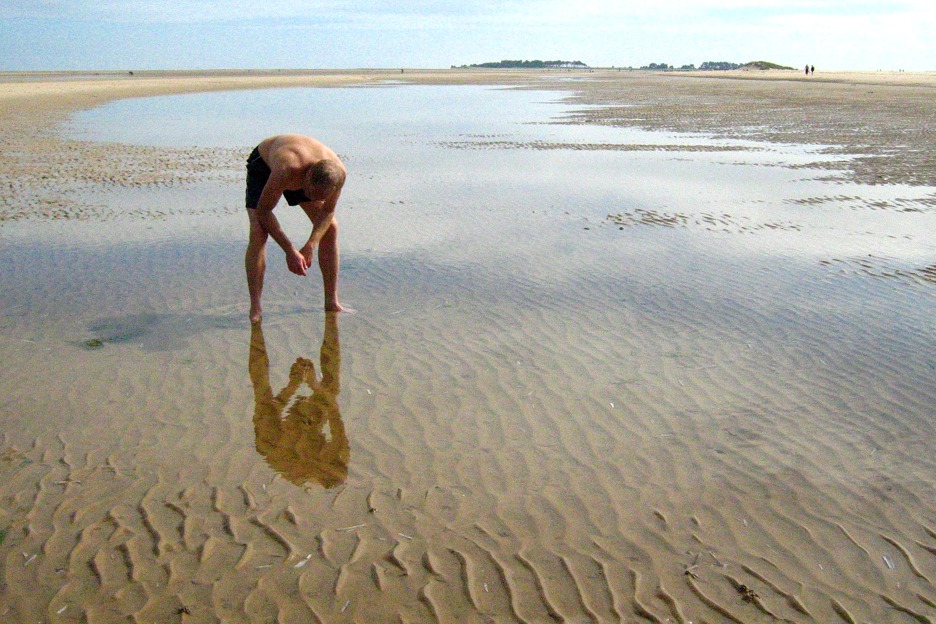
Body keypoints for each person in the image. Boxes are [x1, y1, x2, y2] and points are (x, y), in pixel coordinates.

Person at [245, 134, 349, 323]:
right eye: (309, 193)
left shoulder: (339, 173)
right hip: (265, 166)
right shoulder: (287, 168)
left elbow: (327, 212)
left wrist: (311, 244)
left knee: (330, 228)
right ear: (307, 176)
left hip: (305, 174)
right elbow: (264, 211)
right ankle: (255, 307)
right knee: (259, 232)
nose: (310, 197)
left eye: (318, 196)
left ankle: (331, 301)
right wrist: (290, 250)